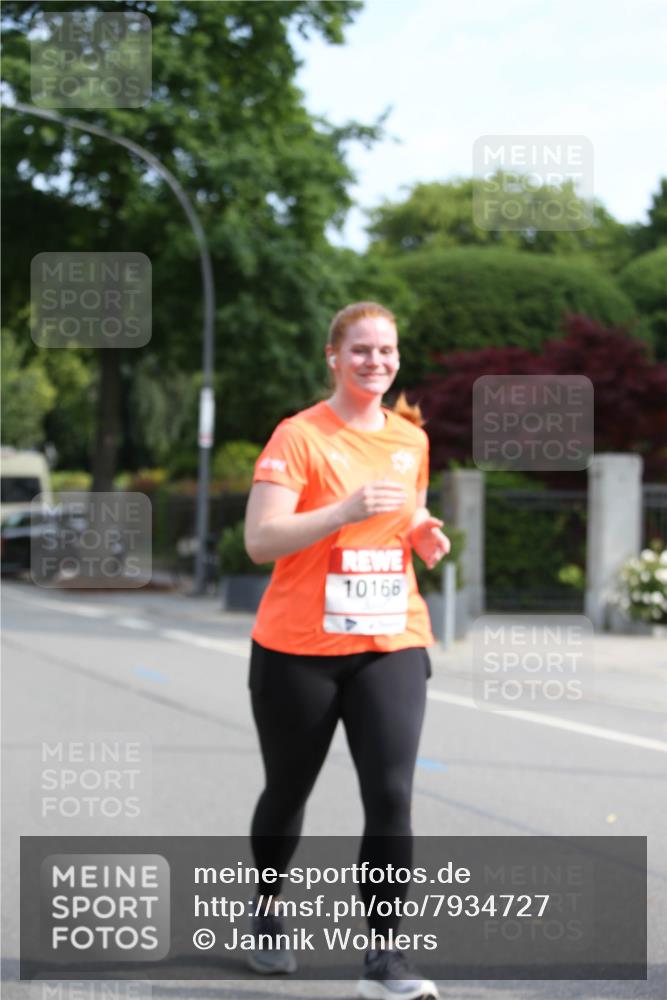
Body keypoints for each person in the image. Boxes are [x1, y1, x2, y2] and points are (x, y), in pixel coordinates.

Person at [243, 301, 450, 999]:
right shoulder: (299, 435)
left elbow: (407, 512)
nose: (375, 362)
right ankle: (267, 909)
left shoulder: (410, 439)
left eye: (386, 351)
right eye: (360, 350)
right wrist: (341, 511)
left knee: (391, 793)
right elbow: (260, 539)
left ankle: (385, 958)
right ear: (333, 357)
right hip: (298, 648)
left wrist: (422, 533)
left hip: (390, 638)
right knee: (288, 789)